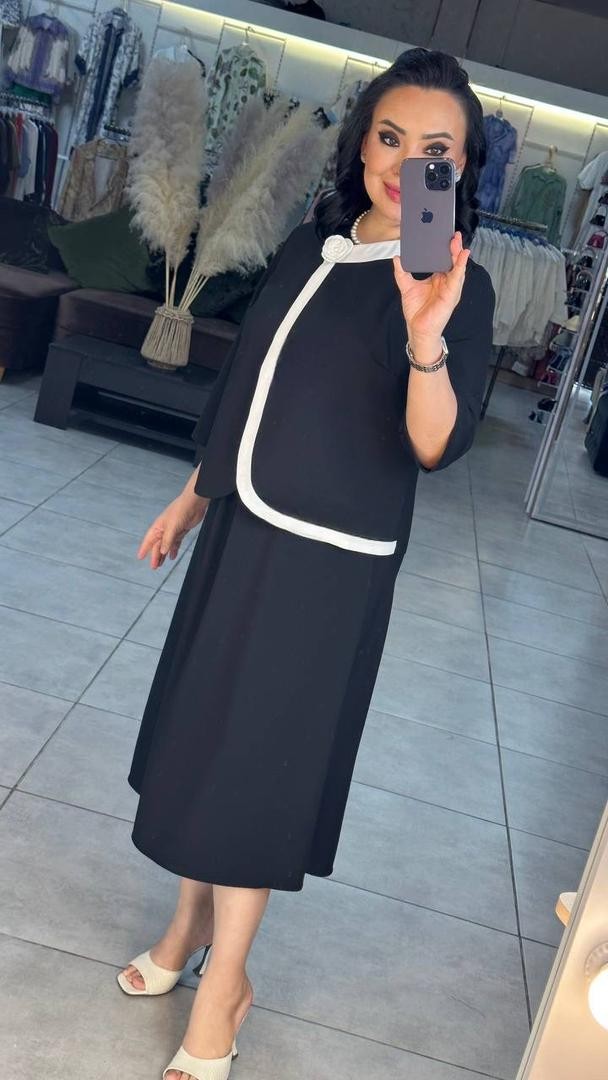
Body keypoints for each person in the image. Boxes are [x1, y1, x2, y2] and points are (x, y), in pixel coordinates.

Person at [119, 46, 496, 1080]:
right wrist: (195, 496)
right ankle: (186, 930)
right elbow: (248, 384)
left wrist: (425, 338)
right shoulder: (310, 246)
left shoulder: (450, 281)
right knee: (205, 743)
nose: (405, 165)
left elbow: (434, 443)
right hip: (243, 532)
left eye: (434, 150)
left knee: (257, 772)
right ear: (361, 142)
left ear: (461, 167)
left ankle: (227, 985)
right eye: (389, 137)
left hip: (325, 570)